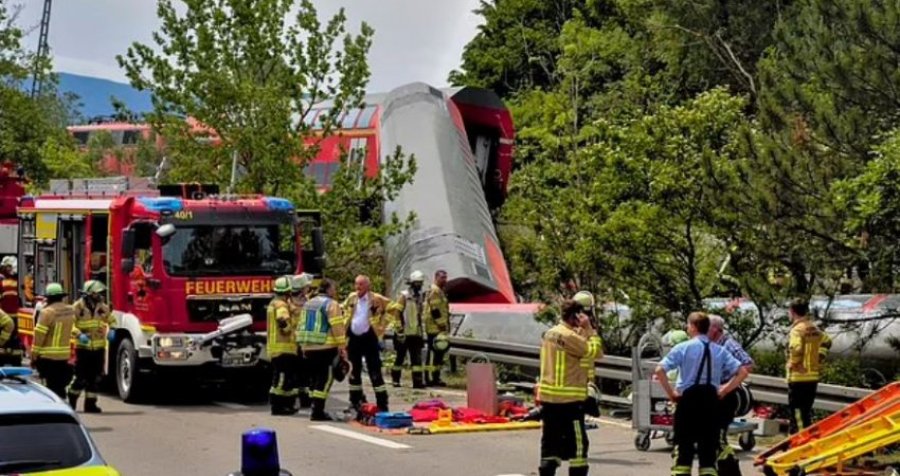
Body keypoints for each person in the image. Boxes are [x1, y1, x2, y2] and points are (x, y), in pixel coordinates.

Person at [654, 312, 749, 476]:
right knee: (708, 453)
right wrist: (725, 389)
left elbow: (660, 370)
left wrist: (671, 394)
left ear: (693, 327)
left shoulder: (683, 348)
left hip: (688, 402)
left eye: (688, 325)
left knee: (683, 451)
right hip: (711, 403)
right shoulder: (719, 350)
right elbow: (743, 371)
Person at [536, 299, 602, 476]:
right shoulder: (569, 336)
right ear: (575, 316)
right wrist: (589, 330)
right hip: (570, 402)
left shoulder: (550, 333)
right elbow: (595, 352)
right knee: (578, 448)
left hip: (549, 401)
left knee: (550, 445)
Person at [298, 278, 347, 421]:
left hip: (308, 346)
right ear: (328, 289)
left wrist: (302, 345)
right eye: (334, 288)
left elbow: (302, 324)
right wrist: (342, 346)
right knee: (325, 379)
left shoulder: (308, 303)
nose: (335, 291)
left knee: (314, 379)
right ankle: (318, 411)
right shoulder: (331, 304)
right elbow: (337, 326)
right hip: (325, 346)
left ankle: (314, 407)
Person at [343, 275, 391, 411]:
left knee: (374, 372)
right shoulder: (352, 298)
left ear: (368, 286)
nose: (358, 287)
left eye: (361, 285)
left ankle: (382, 404)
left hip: (369, 338)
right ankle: (355, 401)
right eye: (356, 284)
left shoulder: (376, 298)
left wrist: (382, 325)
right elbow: (343, 310)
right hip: (353, 338)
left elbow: (394, 308)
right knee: (354, 371)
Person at [68, 280, 116, 413]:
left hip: (98, 348)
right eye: (97, 292)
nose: (100, 295)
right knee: (80, 377)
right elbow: (70, 325)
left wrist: (112, 329)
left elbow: (111, 320)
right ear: (89, 292)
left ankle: (90, 404)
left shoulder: (102, 307)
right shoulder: (77, 307)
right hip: (83, 348)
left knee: (94, 378)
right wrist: (79, 335)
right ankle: (71, 401)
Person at [785, 298, 832, 434]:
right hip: (813, 377)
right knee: (805, 412)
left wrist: (793, 363)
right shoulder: (814, 328)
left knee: (797, 413)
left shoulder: (797, 330)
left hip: (799, 377)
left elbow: (796, 348)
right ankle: (805, 439)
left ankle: (799, 440)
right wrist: (820, 357)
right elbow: (827, 341)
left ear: (792, 312)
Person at [708, 315, 753, 440]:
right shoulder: (708, 345)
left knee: (718, 432)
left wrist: (728, 385)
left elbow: (748, 364)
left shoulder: (729, 345)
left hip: (724, 394)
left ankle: (724, 455)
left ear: (715, 329)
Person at [32, 283, 77, 400]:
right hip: (64, 356)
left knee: (50, 388)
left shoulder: (47, 312)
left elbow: (39, 335)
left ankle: (52, 409)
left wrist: (34, 355)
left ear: (49, 297)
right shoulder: (70, 310)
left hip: (48, 357)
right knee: (60, 386)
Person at [388, 270, 427, 389]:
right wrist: (399, 330)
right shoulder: (404, 296)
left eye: (420, 283)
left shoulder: (420, 297)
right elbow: (397, 312)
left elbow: (420, 315)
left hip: (415, 333)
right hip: (404, 333)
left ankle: (418, 382)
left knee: (417, 360)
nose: (419, 286)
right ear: (412, 283)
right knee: (400, 358)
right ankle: (395, 379)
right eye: (417, 283)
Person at [267, 276, 300, 415]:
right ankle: (278, 407)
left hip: (277, 348)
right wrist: (288, 329)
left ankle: (286, 406)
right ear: (287, 292)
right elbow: (282, 321)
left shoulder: (273, 303)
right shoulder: (281, 305)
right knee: (281, 379)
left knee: (285, 378)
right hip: (283, 348)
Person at [572, 290, 603, 417]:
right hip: (578, 379)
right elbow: (598, 353)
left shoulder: (570, 327)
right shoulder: (582, 329)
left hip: (581, 379)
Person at [290, 273, 313, 409]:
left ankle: (305, 400)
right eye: (306, 287)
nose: (308, 289)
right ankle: (293, 400)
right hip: (294, 342)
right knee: (295, 372)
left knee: (306, 373)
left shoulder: (308, 300)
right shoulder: (289, 302)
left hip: (304, 341)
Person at [424, 269, 450, 387]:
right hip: (435, 328)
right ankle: (432, 378)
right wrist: (441, 324)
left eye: (445, 277)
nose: (445, 280)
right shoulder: (435, 291)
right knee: (435, 355)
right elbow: (435, 310)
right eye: (442, 278)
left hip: (438, 328)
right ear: (436, 278)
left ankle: (435, 377)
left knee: (438, 355)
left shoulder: (440, 291)